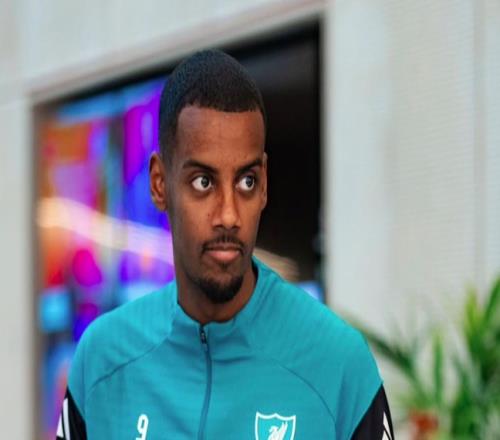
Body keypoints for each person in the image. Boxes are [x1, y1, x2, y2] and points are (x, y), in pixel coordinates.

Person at [56, 49, 394, 440]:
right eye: (203, 182)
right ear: (160, 184)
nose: (229, 215)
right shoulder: (102, 361)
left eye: (246, 181)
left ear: (264, 184)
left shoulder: (339, 364)